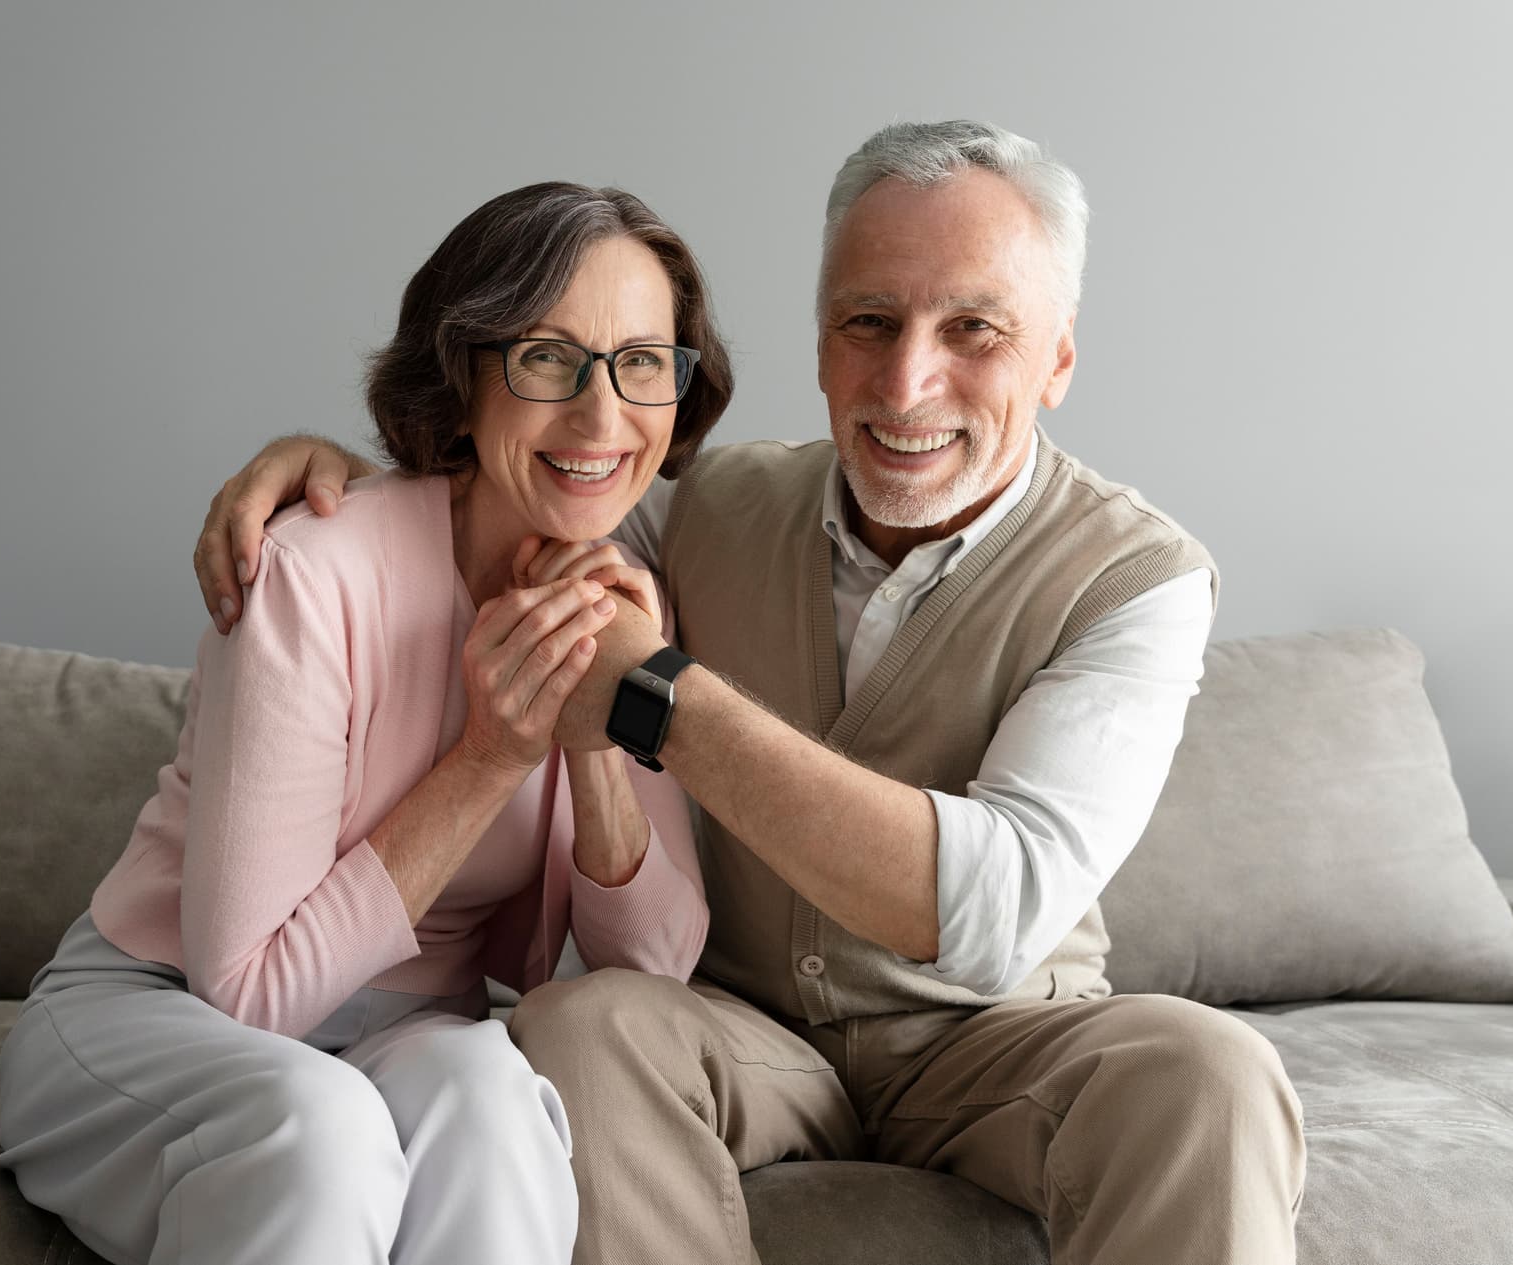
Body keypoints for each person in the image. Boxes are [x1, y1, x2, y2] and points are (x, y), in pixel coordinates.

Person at [194, 121, 1307, 1265]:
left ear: (1058, 360)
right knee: (581, 1024)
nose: (908, 379)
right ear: (821, 342)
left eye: (973, 329)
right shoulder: (710, 501)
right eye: (868, 322)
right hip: (741, 1032)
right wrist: (326, 476)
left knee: (1211, 1072)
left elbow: (994, 913)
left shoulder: (1141, 581)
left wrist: (657, 693)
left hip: (1006, 1042)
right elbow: (535, 471)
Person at [0, 180, 730, 1265]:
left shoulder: (625, 595)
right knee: (320, 1129)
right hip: (160, 1012)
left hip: (407, 1029)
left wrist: (592, 740)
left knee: (493, 1101)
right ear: (462, 373)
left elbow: (656, 965)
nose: (602, 413)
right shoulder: (311, 570)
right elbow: (248, 991)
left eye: (643, 362)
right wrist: (492, 754)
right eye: (546, 356)